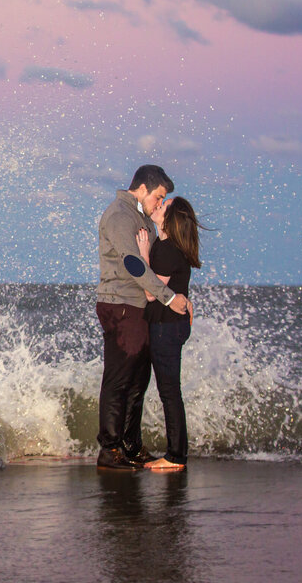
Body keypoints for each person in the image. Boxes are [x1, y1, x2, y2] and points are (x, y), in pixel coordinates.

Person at [95, 165, 192, 470]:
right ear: (142, 189)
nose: (159, 203)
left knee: (138, 379)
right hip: (121, 305)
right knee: (119, 378)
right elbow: (134, 266)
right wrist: (170, 298)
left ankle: (131, 445)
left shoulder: (139, 216)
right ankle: (109, 450)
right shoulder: (121, 216)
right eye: (159, 196)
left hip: (139, 309)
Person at [136, 196, 205, 471]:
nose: (159, 204)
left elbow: (150, 294)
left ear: (169, 219)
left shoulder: (165, 249)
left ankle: (176, 456)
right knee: (170, 391)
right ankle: (177, 453)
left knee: (169, 392)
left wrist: (142, 254)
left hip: (166, 327)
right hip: (173, 326)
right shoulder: (171, 248)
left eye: (163, 205)